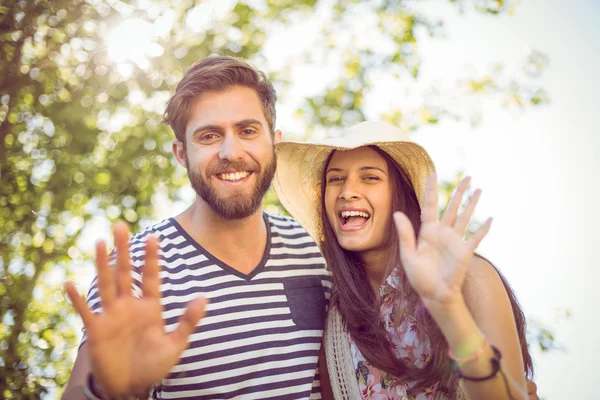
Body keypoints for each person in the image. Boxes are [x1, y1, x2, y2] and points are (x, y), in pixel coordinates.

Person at [62, 56, 331, 399]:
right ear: (181, 153)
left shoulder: (316, 250)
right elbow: (80, 388)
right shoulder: (136, 269)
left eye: (247, 131)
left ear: (273, 142)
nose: (231, 152)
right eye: (208, 136)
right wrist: (108, 388)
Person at [273, 121, 535, 400]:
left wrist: (450, 310)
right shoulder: (334, 319)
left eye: (370, 177)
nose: (347, 191)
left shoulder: (470, 278)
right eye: (336, 179)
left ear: (401, 196)